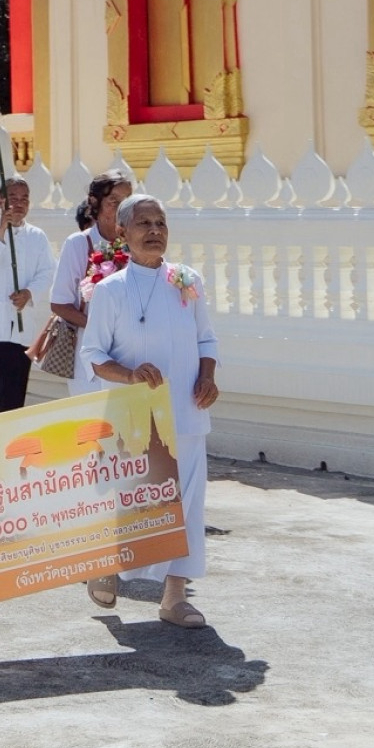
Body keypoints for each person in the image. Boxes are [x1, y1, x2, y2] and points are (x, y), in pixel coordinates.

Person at [78, 194, 220, 628]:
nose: (154, 230)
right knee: (130, 501)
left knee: (186, 505)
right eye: (144, 223)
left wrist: (208, 377)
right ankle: (107, 563)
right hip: (132, 420)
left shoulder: (186, 280)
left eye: (160, 222)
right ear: (122, 232)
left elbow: (207, 340)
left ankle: (174, 597)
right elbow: (94, 355)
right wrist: (130, 375)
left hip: (187, 414)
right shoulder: (110, 289)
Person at [0, 178, 56, 414]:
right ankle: (3, 440)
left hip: (22, 321)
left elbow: (48, 271)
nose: (19, 204)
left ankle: (8, 438)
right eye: (13, 198)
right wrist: (1, 229)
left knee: (17, 391)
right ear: (1, 201)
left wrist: (29, 293)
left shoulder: (37, 236)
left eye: (24, 199)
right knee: (8, 390)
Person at [50, 171, 133, 347]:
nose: (122, 209)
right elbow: (59, 304)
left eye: (127, 202)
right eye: (114, 201)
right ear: (95, 202)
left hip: (130, 345)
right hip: (90, 346)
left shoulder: (137, 243)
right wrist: (100, 328)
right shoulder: (78, 244)